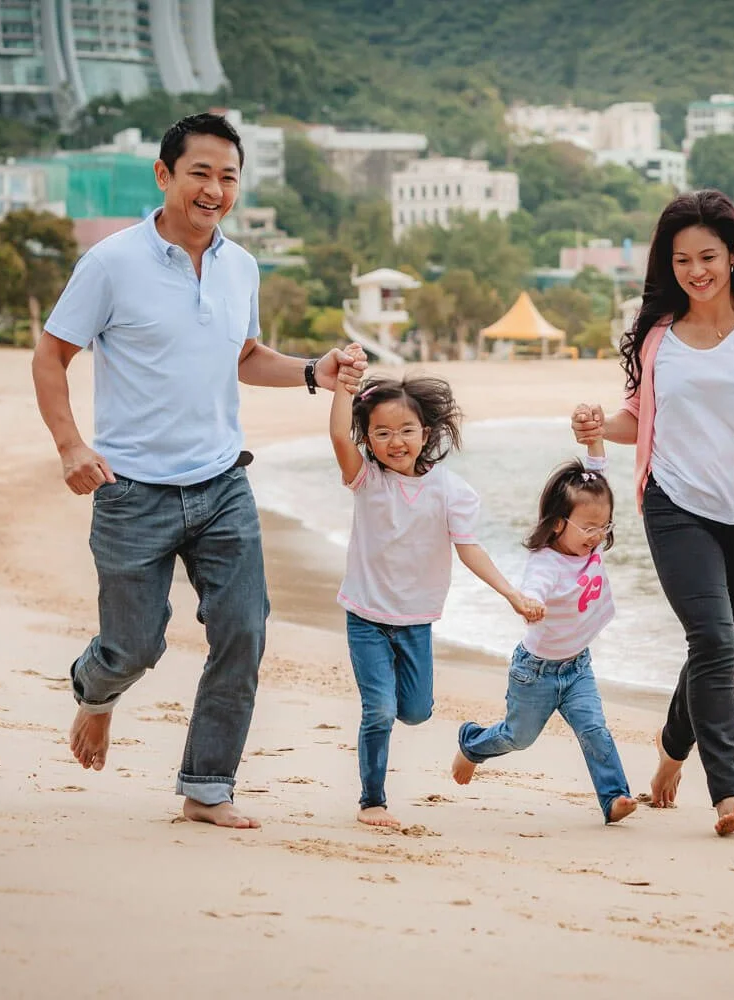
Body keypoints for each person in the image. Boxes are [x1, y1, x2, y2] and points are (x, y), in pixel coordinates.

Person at [31, 112, 366, 830]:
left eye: (228, 177)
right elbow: (50, 356)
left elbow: (243, 357)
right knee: (134, 647)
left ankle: (207, 787)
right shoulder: (111, 263)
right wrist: (70, 446)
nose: (214, 189)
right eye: (200, 174)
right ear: (165, 176)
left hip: (221, 483)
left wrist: (315, 370)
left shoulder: (240, 266)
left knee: (243, 630)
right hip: (130, 492)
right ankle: (96, 694)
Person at [571, 189, 734, 837]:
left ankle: (670, 747)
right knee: (712, 640)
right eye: (682, 259)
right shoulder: (657, 333)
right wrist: (601, 424)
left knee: (719, 652)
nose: (696, 270)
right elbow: (642, 417)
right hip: (675, 504)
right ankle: (728, 795)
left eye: (708, 256)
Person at [330, 366, 541, 828]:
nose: (395, 441)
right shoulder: (368, 479)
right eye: (381, 432)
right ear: (367, 437)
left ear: (425, 434)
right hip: (366, 615)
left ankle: (440, 732)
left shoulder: (449, 490)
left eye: (405, 430)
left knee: (416, 711)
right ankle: (372, 801)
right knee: (380, 710)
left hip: (415, 621)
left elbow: (469, 548)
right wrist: (344, 389)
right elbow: (339, 440)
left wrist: (511, 593)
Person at [451, 426, 638, 825]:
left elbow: (598, 471)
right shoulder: (546, 562)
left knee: (595, 730)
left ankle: (615, 797)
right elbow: (534, 587)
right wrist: (529, 602)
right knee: (518, 737)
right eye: (588, 528)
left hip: (578, 666)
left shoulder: (588, 540)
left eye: (603, 526)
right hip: (535, 673)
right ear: (557, 524)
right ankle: (472, 745)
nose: (597, 536)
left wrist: (593, 441)